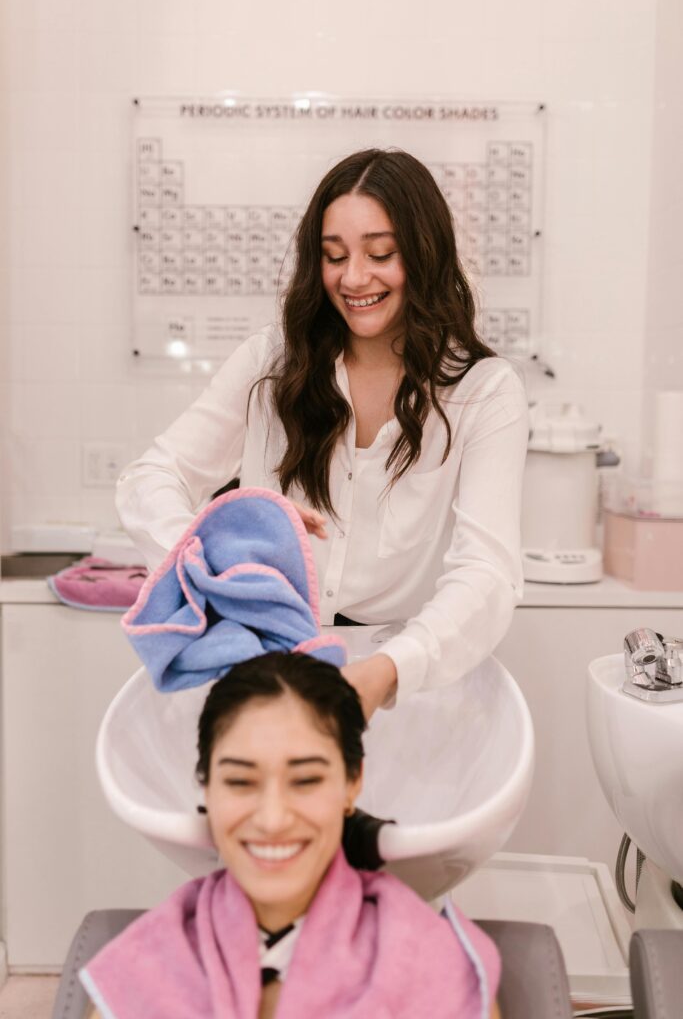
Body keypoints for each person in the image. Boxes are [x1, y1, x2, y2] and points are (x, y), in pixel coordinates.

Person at [116, 148, 529, 718]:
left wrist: (385, 674)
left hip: (403, 682)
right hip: (267, 666)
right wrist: (217, 551)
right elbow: (151, 478)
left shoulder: (483, 393)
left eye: (381, 254)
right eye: (334, 257)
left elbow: (487, 572)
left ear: (425, 254)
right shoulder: (273, 362)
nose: (354, 278)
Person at [81, 651, 501, 1018]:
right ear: (206, 787)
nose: (273, 819)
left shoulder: (436, 968)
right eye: (241, 782)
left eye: (305, 781)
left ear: (352, 783)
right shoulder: (139, 974)